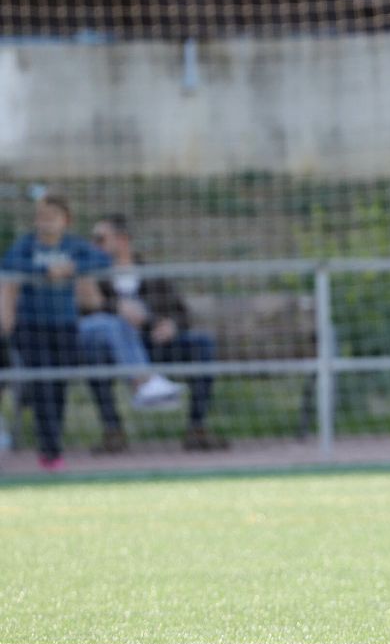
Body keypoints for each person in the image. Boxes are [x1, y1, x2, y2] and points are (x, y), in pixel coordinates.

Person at [87, 214, 225, 452]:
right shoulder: (93, 279)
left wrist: (171, 325)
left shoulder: (152, 273)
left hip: (157, 345)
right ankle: (113, 432)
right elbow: (86, 311)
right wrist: (117, 309)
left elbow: (183, 313)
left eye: (100, 239)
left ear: (122, 240)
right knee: (95, 355)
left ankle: (197, 429)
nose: (94, 245)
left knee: (203, 344)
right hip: (116, 352)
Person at [0, 194, 110, 470]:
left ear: (65, 221)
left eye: (51, 217)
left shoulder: (72, 246)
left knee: (59, 385)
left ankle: (53, 444)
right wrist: (44, 270)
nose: (45, 223)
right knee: (43, 385)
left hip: (64, 327)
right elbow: (10, 264)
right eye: (41, 217)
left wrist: (72, 268)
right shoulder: (28, 244)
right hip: (32, 327)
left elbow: (101, 260)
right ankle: (49, 451)